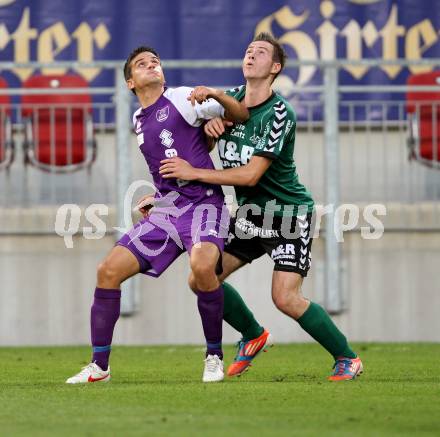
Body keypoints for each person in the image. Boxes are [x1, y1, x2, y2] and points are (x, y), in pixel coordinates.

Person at [159, 33, 363, 381]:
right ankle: (253, 334)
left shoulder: (279, 112)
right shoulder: (229, 102)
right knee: (201, 278)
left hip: (287, 214)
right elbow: (201, 144)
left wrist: (195, 173)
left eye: (261, 52)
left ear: (276, 67)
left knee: (285, 298)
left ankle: (347, 358)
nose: (251, 55)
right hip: (252, 216)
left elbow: (252, 175)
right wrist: (210, 132)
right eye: (249, 50)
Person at [66, 46, 249, 384]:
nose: (151, 65)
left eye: (155, 61)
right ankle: (99, 367)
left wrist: (219, 106)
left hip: (204, 204)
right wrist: (157, 194)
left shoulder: (181, 98)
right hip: (168, 210)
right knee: (107, 271)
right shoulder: (139, 120)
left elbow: (242, 111)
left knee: (203, 266)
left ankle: (213, 356)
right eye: (141, 64)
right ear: (130, 83)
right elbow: (167, 163)